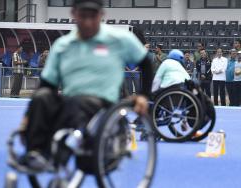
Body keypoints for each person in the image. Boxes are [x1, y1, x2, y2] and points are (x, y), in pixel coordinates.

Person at [18, 0, 153, 171]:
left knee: (76, 102)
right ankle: (37, 152)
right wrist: (29, 116)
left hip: (104, 104)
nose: (88, 22)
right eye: (83, 16)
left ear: (101, 16)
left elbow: (146, 64)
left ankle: (61, 153)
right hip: (70, 101)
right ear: (74, 15)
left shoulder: (119, 39)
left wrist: (143, 95)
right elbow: (47, 84)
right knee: (42, 97)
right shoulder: (63, 45)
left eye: (93, 16)